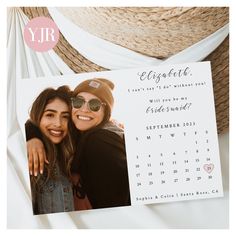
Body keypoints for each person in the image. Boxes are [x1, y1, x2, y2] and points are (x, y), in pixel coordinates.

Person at [26, 78, 131, 209]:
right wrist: (32, 136)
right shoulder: (76, 135)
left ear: (106, 113)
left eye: (94, 105)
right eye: (78, 102)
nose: (84, 109)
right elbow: (35, 119)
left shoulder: (101, 142)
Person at [26, 86, 75, 215]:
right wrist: (30, 134)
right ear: (38, 116)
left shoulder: (67, 150)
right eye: (50, 115)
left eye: (65, 117)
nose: (58, 123)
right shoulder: (30, 155)